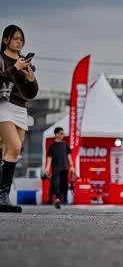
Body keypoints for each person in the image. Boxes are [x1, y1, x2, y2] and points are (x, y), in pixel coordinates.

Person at [0, 25, 39, 213]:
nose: (19, 42)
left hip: (21, 108)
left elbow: (31, 93)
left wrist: (31, 79)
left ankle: (3, 198)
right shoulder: (1, 59)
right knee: (14, 146)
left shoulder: (24, 62)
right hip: (4, 105)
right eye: (15, 38)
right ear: (5, 40)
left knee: (12, 153)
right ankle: (2, 196)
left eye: (21, 39)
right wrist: (14, 68)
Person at [45, 127, 75, 209]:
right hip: (55, 169)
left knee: (63, 185)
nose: (63, 135)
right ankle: (57, 199)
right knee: (56, 184)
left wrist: (72, 166)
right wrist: (47, 169)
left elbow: (69, 156)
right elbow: (49, 158)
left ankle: (60, 199)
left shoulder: (65, 145)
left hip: (65, 168)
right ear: (56, 134)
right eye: (61, 133)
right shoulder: (52, 146)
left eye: (63, 133)